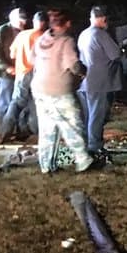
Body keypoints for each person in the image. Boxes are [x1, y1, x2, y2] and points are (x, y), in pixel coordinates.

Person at [32, 10, 95, 173]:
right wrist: (84, 71)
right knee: (72, 124)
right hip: (59, 90)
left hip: (39, 88)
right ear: (67, 23)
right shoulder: (66, 41)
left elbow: (33, 59)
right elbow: (73, 65)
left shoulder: (43, 38)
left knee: (47, 128)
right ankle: (83, 160)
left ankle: (47, 165)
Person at [77, 5, 124, 157]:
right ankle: (95, 147)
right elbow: (115, 54)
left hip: (86, 82)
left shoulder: (83, 34)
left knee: (89, 116)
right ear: (103, 18)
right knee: (98, 116)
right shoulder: (101, 34)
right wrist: (122, 47)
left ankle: (86, 145)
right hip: (101, 82)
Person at [0, 10, 48, 143]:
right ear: (45, 22)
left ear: (34, 21)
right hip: (36, 73)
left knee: (16, 103)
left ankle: (5, 131)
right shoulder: (44, 36)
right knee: (36, 104)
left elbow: (12, 54)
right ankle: (36, 132)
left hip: (21, 73)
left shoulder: (22, 35)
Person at [0, 7, 27, 125]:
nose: (24, 22)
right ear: (14, 19)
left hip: (18, 70)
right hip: (3, 71)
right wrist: (7, 67)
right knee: (6, 98)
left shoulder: (23, 31)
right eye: (21, 20)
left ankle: (14, 126)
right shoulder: (1, 31)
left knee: (17, 99)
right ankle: (2, 127)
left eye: (24, 20)